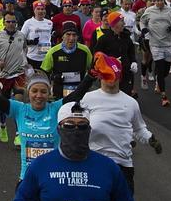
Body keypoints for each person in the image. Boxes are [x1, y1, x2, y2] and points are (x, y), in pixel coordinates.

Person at [58, 56, 157, 193]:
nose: (111, 80)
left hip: (122, 164)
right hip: (94, 161)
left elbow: (139, 129)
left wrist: (151, 139)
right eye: (106, 75)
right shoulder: (87, 99)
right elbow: (68, 113)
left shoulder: (131, 103)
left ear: (119, 77)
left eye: (114, 76)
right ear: (100, 76)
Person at [11, 110, 136, 201]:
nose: (76, 131)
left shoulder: (108, 167)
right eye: (69, 125)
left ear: (89, 130)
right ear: (59, 129)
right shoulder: (40, 165)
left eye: (82, 126)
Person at [0, 11, 27, 143]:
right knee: (5, 104)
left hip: (19, 74)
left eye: (13, 21)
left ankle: (18, 134)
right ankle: (2, 125)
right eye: (8, 21)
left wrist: (24, 62)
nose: (11, 24)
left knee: (19, 103)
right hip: (4, 76)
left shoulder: (21, 35)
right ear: (4, 22)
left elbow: (24, 49)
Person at [138, 0, 171, 107]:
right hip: (155, 44)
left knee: (166, 71)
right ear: (154, 1)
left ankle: (158, 78)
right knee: (160, 66)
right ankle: (164, 96)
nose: (159, 2)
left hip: (168, 43)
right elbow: (142, 22)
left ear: (164, 0)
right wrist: (143, 29)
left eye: (161, 0)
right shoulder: (149, 10)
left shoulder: (170, 10)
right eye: (157, 0)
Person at [39, 24, 92, 100]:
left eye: (74, 35)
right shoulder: (53, 52)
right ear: (62, 36)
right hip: (59, 92)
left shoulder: (85, 50)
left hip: (80, 91)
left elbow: (91, 70)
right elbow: (43, 73)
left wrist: (87, 84)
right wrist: (53, 78)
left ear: (77, 37)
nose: (71, 38)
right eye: (68, 34)